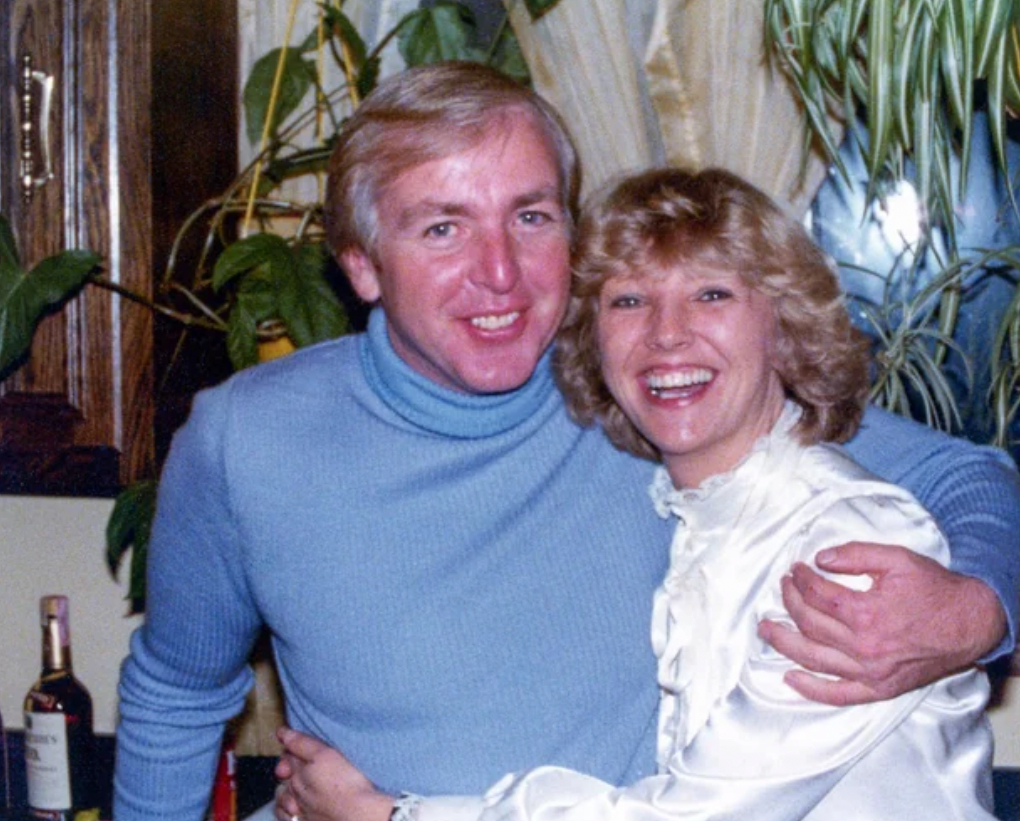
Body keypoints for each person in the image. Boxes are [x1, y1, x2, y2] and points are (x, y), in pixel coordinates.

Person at [113, 62, 1020, 821]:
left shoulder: (645, 392)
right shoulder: (248, 439)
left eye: (532, 216)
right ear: (360, 265)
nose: (499, 273)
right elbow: (178, 694)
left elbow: (966, 475)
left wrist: (974, 613)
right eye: (443, 227)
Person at [273, 168, 996, 821]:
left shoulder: (849, 541)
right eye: (628, 301)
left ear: (784, 325)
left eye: (711, 293)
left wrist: (393, 816)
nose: (666, 336)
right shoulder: (676, 508)